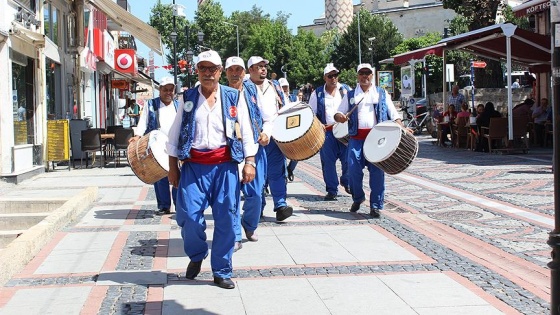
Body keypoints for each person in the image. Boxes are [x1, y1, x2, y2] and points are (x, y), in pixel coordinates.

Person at [167, 50, 257, 289]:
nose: (208, 73)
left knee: (227, 217)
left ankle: (222, 270)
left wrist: (250, 162)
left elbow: (246, 130)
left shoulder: (232, 97)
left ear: (220, 71)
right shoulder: (187, 98)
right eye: (203, 68)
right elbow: (174, 135)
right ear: (197, 71)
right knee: (188, 216)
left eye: (212, 69)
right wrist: (172, 168)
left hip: (225, 167)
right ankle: (196, 255)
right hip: (194, 167)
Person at [333, 63, 405, 218]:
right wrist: (340, 117)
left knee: (377, 172)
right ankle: (358, 198)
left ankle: (375, 205)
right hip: (356, 139)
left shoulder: (381, 93)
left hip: (377, 140)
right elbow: (338, 113)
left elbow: (394, 114)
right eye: (361, 73)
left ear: (372, 75)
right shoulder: (351, 95)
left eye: (367, 73)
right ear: (358, 76)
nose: (364, 76)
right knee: (353, 170)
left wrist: (401, 126)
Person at [224, 56, 269, 251]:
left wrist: (267, 133)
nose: (235, 74)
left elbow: (268, 117)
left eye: (238, 70)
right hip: (229, 151)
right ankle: (235, 236)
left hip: (253, 149)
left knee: (256, 194)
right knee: (231, 197)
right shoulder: (220, 93)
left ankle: (249, 225)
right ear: (225, 73)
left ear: (245, 72)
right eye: (231, 70)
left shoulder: (253, 90)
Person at [247, 56, 293, 221]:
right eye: (259, 67)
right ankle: (257, 208)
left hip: (274, 137)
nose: (263, 69)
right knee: (258, 175)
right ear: (251, 69)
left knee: (277, 172)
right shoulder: (245, 87)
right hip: (254, 138)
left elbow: (286, 108)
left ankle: (280, 205)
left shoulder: (275, 86)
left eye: (264, 66)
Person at [130, 77, 179, 215]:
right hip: (156, 146)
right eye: (165, 90)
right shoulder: (150, 104)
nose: (168, 92)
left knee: (177, 174)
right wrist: (138, 136)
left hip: (175, 144)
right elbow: (143, 121)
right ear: (160, 90)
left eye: (171, 90)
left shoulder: (178, 105)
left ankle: (178, 204)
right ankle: (164, 205)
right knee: (160, 175)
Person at [309, 63, 351, 200]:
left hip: (344, 131)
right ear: (325, 78)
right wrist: (319, 125)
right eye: (330, 76)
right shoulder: (318, 93)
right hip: (327, 131)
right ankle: (332, 189)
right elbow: (311, 113)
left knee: (348, 159)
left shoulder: (345, 90)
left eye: (335, 75)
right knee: (328, 162)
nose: (333, 78)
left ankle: (346, 181)